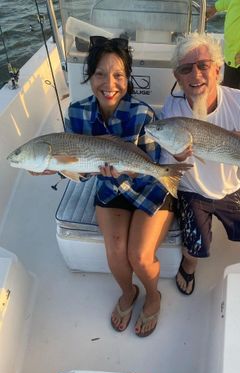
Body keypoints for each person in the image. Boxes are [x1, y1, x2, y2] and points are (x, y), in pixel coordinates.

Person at [50, 36, 174, 337]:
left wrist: (129, 172)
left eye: (118, 75)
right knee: (116, 253)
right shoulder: (77, 113)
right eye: (100, 74)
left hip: (148, 187)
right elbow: (80, 169)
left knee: (140, 256)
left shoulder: (143, 114)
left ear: (128, 78)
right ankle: (128, 292)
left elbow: (153, 167)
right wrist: (52, 168)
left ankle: (153, 295)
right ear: (90, 76)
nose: (109, 83)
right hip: (110, 190)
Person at [161, 32, 240, 295]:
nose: (195, 75)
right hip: (192, 189)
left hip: (229, 187)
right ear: (178, 78)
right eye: (186, 69)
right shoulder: (172, 111)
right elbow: (164, 161)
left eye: (203, 66)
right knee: (196, 247)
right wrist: (177, 157)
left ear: (217, 70)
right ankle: (189, 266)